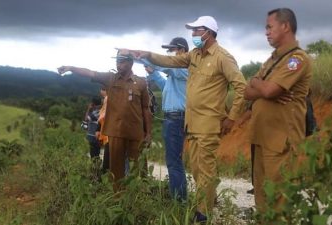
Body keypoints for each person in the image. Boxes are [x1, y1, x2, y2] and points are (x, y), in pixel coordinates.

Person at [126, 16, 247, 223]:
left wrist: (232, 118)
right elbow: (170, 61)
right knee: (198, 169)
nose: (193, 35)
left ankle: (202, 215)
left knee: (205, 170)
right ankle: (206, 203)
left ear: (208, 32)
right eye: (192, 31)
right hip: (192, 123)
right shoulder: (194, 56)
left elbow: (242, 87)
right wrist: (145, 54)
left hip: (209, 123)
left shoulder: (223, 57)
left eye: (197, 31)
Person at [244, 8, 312, 213]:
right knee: (262, 199)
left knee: (280, 202)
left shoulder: (297, 59)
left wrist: (260, 84)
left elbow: (271, 89)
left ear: (285, 26)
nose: (266, 32)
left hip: (280, 142)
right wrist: (259, 85)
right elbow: (247, 93)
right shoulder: (271, 60)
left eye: (269, 27)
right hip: (262, 138)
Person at [58, 50, 152, 191]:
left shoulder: (141, 83)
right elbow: (90, 73)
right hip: (115, 132)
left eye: (122, 61)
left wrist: (148, 133)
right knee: (116, 170)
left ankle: (139, 197)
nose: (118, 64)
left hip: (135, 132)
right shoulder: (110, 78)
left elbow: (146, 109)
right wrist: (71, 68)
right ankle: (117, 198)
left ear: (131, 62)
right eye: (117, 61)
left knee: (138, 168)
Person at [144, 37, 189, 201]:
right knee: (174, 161)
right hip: (173, 119)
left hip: (177, 118)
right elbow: (165, 87)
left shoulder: (184, 66)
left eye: (171, 50)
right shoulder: (176, 71)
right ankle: (180, 198)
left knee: (174, 163)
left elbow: (165, 66)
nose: (169, 54)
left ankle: (180, 201)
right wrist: (153, 73)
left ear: (181, 50)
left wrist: (142, 56)